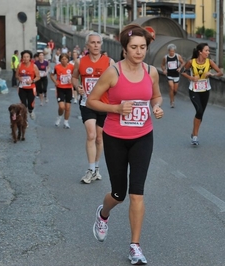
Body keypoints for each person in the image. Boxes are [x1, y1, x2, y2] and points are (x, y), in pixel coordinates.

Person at [87, 24, 163, 265]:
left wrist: (157, 106)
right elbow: (91, 101)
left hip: (143, 137)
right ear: (124, 49)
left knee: (137, 194)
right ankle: (103, 213)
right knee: (119, 193)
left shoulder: (151, 72)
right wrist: (115, 108)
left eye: (143, 47)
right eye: (134, 48)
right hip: (115, 138)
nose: (139, 52)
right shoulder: (113, 73)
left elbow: (156, 95)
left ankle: (135, 246)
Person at [72, 32, 115, 184]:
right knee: (90, 135)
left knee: (99, 137)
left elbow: (117, 80)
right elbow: (74, 77)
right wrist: (77, 87)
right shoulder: (80, 62)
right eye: (93, 43)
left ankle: (96, 168)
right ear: (87, 45)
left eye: (98, 43)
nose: (96, 45)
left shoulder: (109, 62)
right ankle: (90, 169)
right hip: (87, 103)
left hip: (104, 104)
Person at [180, 43, 223, 146]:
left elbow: (220, 72)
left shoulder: (210, 62)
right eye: (206, 50)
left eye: (208, 51)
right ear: (200, 52)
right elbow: (183, 72)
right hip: (194, 90)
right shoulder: (191, 62)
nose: (208, 52)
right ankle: (195, 137)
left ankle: (194, 132)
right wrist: (191, 78)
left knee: (201, 114)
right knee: (199, 110)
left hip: (205, 90)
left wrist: (211, 74)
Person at [50, 53, 74, 129]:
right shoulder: (57, 67)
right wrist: (55, 81)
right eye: (62, 59)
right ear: (60, 60)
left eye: (66, 59)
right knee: (61, 106)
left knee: (67, 107)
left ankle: (66, 122)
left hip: (69, 88)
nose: (64, 60)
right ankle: (59, 117)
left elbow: (76, 76)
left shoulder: (71, 67)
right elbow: (51, 75)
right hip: (60, 88)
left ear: (68, 60)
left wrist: (72, 80)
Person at [15, 50, 40, 120]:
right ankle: (25, 120)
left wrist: (32, 81)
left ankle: (31, 111)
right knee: (23, 105)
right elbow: (16, 75)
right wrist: (19, 78)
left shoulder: (34, 66)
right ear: (22, 58)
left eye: (27, 57)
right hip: (22, 88)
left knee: (30, 105)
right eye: (24, 57)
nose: (25, 58)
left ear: (30, 58)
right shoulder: (19, 65)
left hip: (31, 88)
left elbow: (38, 76)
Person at [161, 43, 185, 108]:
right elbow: (162, 65)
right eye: (171, 51)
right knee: (171, 87)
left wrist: (180, 68)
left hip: (176, 74)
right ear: (168, 51)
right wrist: (164, 70)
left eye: (173, 51)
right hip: (169, 75)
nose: (172, 52)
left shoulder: (177, 56)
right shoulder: (165, 57)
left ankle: (172, 96)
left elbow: (183, 63)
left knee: (175, 90)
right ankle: (172, 102)